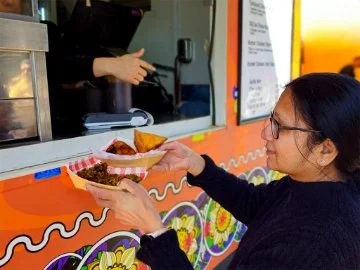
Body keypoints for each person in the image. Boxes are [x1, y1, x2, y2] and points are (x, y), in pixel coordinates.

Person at [87, 73, 360, 269]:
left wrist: (154, 229)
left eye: (280, 126)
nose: (266, 132)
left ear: (325, 150)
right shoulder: (313, 183)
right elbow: (254, 204)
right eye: (271, 119)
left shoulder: (316, 244)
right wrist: (198, 165)